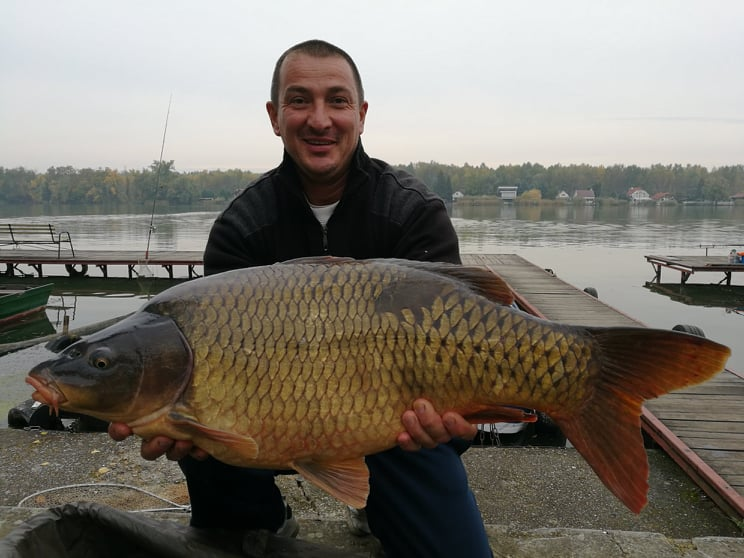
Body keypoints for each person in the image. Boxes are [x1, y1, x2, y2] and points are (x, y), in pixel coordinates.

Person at [109, 39, 492, 557]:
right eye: (299, 101)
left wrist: (453, 420)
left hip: (393, 425)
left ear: (361, 114)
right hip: (261, 417)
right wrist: (177, 422)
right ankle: (258, 520)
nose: (319, 119)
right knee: (203, 430)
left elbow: (463, 331)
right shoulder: (240, 228)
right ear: (274, 116)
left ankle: (379, 507)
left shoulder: (413, 213)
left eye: (337, 100)